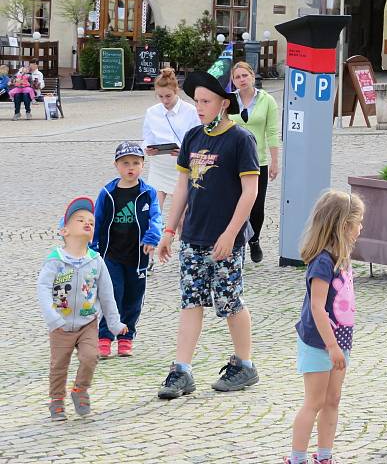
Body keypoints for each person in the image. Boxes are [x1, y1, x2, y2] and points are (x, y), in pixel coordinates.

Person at [155, 70, 260, 399]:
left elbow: (250, 191)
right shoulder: (193, 137)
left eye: (206, 101)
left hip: (225, 239)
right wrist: (169, 230)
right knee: (191, 301)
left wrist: (232, 233)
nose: (199, 107)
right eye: (196, 101)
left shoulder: (240, 140)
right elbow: (182, 186)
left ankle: (244, 364)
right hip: (193, 237)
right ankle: (181, 370)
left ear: (223, 103)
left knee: (230, 302)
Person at [284, 190, 364, 464]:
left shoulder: (343, 256)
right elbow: (318, 308)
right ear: (343, 226)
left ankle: (325, 456)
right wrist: (332, 347)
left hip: (339, 341)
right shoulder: (323, 262)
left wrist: (340, 345)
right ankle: (297, 458)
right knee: (314, 402)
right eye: (357, 223)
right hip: (320, 343)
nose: (360, 228)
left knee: (333, 400)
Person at [37, 197, 128, 421]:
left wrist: (115, 324)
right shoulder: (55, 261)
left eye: (91, 221)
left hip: (88, 322)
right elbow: (43, 287)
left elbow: (107, 295)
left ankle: (80, 389)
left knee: (91, 356)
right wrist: (52, 318)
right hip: (61, 323)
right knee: (59, 365)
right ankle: (56, 401)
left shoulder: (96, 261)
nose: (87, 223)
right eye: (80, 220)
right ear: (64, 230)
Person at [91, 142, 162, 358]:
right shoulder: (108, 192)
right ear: (116, 166)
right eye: (125, 163)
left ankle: (126, 338)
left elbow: (156, 218)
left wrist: (152, 238)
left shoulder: (148, 193)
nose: (130, 168)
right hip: (111, 255)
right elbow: (97, 219)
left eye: (135, 163)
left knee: (133, 298)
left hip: (137, 256)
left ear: (142, 165)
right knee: (111, 295)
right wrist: (92, 247)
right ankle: (104, 338)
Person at [229, 61, 281, 264]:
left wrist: (274, 161)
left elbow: (272, 132)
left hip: (257, 161)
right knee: (234, 204)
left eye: (245, 76)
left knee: (257, 207)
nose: (241, 80)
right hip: (233, 161)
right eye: (237, 77)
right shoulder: (228, 101)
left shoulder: (267, 100)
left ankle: (255, 239)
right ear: (233, 81)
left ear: (252, 76)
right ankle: (236, 243)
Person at [141, 67, 201, 214]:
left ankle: (182, 237)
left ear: (176, 91)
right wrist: (147, 149)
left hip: (182, 166)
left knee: (182, 216)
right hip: (159, 165)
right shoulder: (152, 112)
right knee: (153, 213)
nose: (164, 101)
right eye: (160, 97)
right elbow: (147, 138)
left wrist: (185, 151)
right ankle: (157, 237)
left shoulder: (191, 111)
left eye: (168, 96)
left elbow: (199, 139)